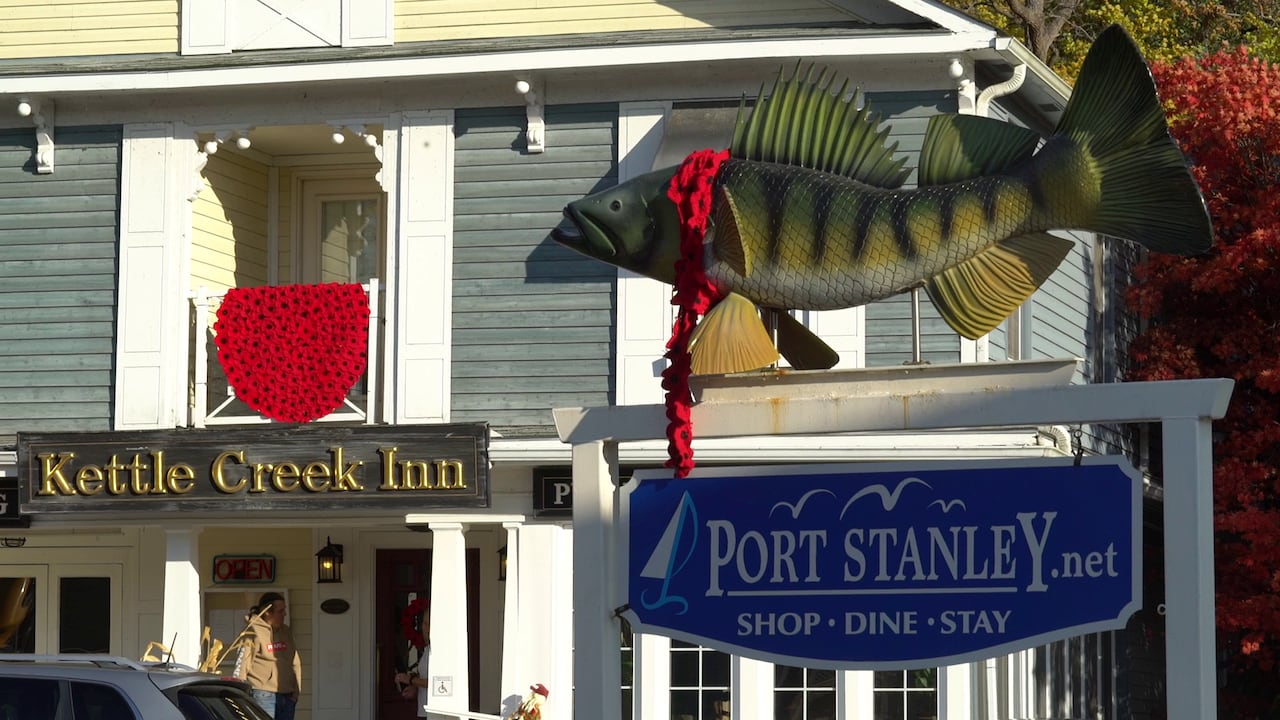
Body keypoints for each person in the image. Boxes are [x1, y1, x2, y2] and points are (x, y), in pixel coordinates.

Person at [234, 592, 302, 720]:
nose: (284, 615)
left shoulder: (286, 631)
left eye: (284, 610)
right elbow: (243, 663)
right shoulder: (252, 631)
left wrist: (296, 691)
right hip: (263, 694)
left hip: (287, 695)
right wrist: (239, 693)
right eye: (280, 611)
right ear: (267, 612)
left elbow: (295, 661)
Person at [393, 605, 430, 702]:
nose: (424, 628)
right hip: (423, 708)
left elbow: (439, 683)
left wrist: (410, 680)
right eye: (424, 624)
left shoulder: (441, 651)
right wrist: (415, 687)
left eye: (427, 624)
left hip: (434, 710)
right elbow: (424, 678)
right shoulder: (428, 650)